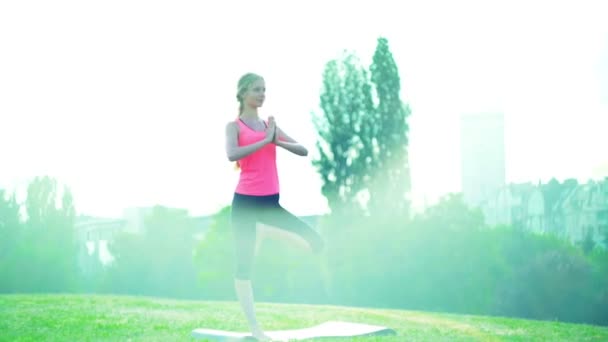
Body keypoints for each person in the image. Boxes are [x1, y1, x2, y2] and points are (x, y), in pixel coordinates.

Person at [224, 72, 324, 341]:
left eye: (264, 89)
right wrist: (264, 141)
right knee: (243, 267)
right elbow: (232, 154)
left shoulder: (270, 126)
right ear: (243, 92)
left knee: (316, 242)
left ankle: (266, 231)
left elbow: (302, 150)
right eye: (257, 89)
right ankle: (255, 329)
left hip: (270, 204)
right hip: (245, 204)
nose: (262, 94)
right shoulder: (234, 126)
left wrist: (275, 139)